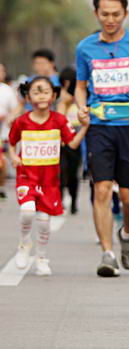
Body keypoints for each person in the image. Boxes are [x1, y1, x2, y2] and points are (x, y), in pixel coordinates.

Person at [74, 0, 129, 277]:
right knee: (101, 189)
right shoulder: (85, 48)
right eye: (105, 14)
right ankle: (107, 254)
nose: (110, 20)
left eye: (116, 14)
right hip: (99, 129)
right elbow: (81, 87)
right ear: (96, 13)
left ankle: (127, 232)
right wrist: (81, 107)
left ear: (125, 13)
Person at [9, 76, 89, 275]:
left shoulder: (59, 120)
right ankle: (24, 244)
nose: (41, 96)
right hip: (26, 176)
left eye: (45, 91)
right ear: (28, 97)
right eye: (36, 92)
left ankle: (42, 257)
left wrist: (85, 126)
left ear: (53, 95)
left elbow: (71, 144)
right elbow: (10, 142)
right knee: (27, 211)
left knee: (44, 221)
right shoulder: (21, 122)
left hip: (49, 180)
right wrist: (13, 157)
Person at [56, 67, 82, 215]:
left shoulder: (79, 99)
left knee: (73, 173)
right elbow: (59, 119)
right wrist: (63, 103)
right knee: (60, 172)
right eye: (63, 83)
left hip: (75, 141)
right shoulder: (59, 97)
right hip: (60, 142)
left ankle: (73, 201)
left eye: (69, 82)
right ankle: (59, 200)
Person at [0, 62, 18, 199]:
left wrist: (9, 118)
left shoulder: (7, 90)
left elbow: (16, 109)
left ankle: (1, 186)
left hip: (3, 132)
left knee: (2, 162)